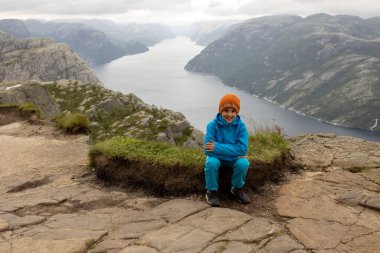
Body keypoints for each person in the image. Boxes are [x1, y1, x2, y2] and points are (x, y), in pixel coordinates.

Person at [204, 93, 251, 207]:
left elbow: (242, 149)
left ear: (237, 112)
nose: (230, 114)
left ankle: (236, 188)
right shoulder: (212, 125)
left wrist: (217, 147)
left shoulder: (241, 127)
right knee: (211, 162)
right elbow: (208, 151)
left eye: (233, 111)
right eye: (226, 110)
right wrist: (235, 154)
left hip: (222, 156)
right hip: (221, 158)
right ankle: (211, 191)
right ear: (221, 110)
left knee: (243, 163)